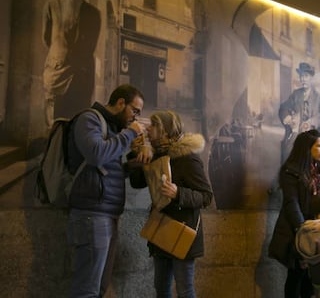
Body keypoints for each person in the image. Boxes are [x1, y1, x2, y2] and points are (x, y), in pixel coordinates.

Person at [66, 84, 149, 298]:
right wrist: (130, 134)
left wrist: (130, 167)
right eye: (135, 111)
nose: (135, 118)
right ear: (120, 103)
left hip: (107, 215)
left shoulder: (112, 129)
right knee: (87, 289)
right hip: (92, 214)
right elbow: (96, 154)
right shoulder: (89, 119)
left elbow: (105, 170)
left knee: (99, 288)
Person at [128, 110, 213, 298]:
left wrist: (178, 193)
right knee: (161, 287)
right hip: (161, 230)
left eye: (153, 125)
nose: (148, 129)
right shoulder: (157, 154)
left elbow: (207, 196)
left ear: (165, 131)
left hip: (182, 232)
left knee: (184, 289)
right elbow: (137, 182)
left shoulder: (187, 158)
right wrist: (136, 153)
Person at [268, 129, 320, 298]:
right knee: (296, 277)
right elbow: (291, 203)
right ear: (307, 148)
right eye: (319, 146)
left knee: (311, 280)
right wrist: (304, 230)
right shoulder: (291, 171)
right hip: (301, 230)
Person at [42, 0, 101, 128]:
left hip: (80, 76)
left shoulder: (93, 13)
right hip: (57, 73)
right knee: (55, 123)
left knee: (75, 122)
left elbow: (90, 45)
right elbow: (46, 39)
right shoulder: (51, 6)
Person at [279, 62, 320, 163]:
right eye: (301, 76)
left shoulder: (318, 97)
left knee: (310, 160)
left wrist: (311, 122)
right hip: (296, 134)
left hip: (312, 136)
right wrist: (286, 116)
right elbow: (283, 107)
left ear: (311, 78)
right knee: (287, 153)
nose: (303, 79)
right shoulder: (296, 94)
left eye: (306, 76)